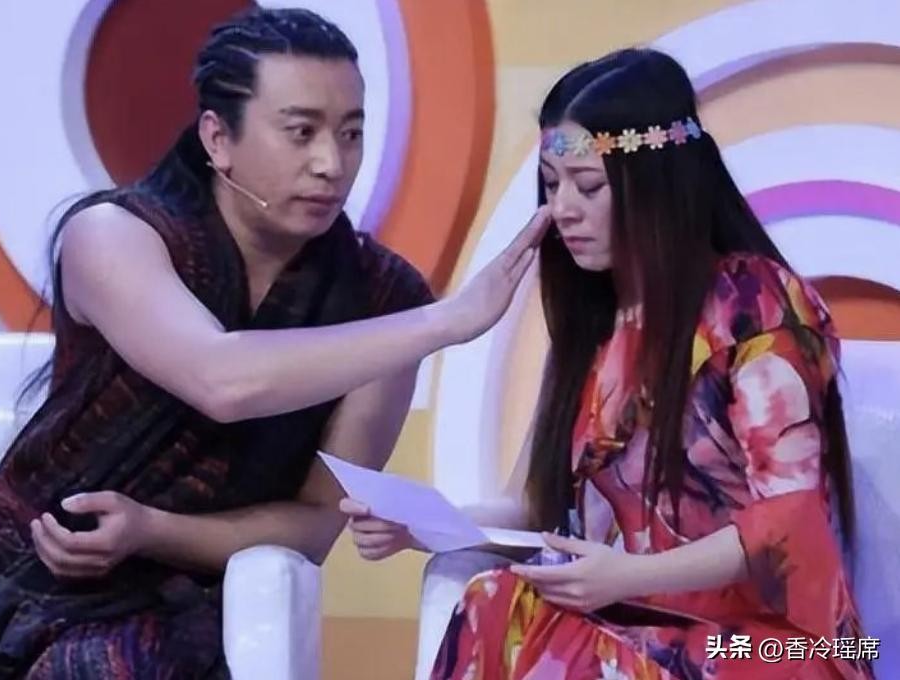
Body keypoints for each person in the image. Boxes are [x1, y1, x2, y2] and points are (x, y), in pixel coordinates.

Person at [0, 7, 548, 678]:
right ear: (218, 137)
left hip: (173, 596)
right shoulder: (115, 236)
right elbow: (221, 379)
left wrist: (151, 530)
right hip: (13, 556)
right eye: (301, 132)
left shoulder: (382, 298)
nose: (331, 164)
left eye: (351, 133)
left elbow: (316, 523)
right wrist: (445, 323)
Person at [343, 48, 873, 679]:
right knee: (494, 603)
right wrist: (417, 524)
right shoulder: (594, 325)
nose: (563, 208)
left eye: (588, 186)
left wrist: (630, 576)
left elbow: (787, 519)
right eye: (552, 184)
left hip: (777, 647)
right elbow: (527, 508)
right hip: (637, 620)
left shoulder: (754, 303)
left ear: (656, 184)